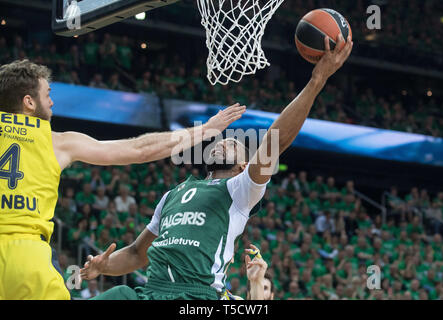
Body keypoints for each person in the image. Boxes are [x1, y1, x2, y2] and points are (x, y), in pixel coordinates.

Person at [80, 35, 353, 300]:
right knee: (119, 293)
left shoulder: (241, 190)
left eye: (234, 143)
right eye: (223, 140)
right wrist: (103, 266)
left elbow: (275, 141)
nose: (224, 143)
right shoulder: (173, 194)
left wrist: (317, 80)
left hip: (196, 295)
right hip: (151, 291)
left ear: (244, 165)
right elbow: (136, 254)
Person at [0, 59, 246, 300]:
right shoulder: (58, 141)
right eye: (47, 94)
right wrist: (205, 130)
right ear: (29, 102)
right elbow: (139, 150)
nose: (52, 101)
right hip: (26, 255)